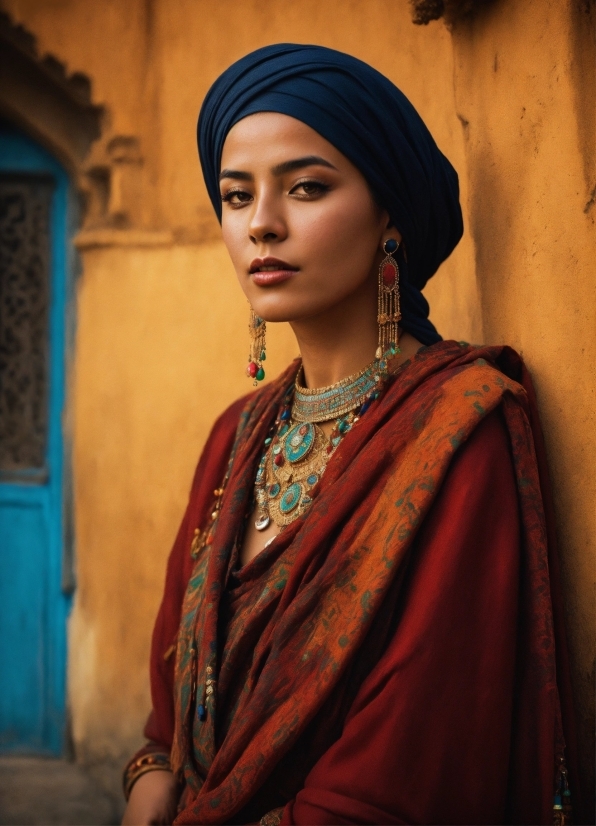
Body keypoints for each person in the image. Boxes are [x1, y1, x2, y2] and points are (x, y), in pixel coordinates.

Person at [122, 44, 579, 826]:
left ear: (390, 216)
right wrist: (152, 774)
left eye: (305, 188)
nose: (261, 224)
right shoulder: (237, 436)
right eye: (236, 196)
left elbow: (413, 763)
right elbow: (172, 698)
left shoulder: (456, 430)